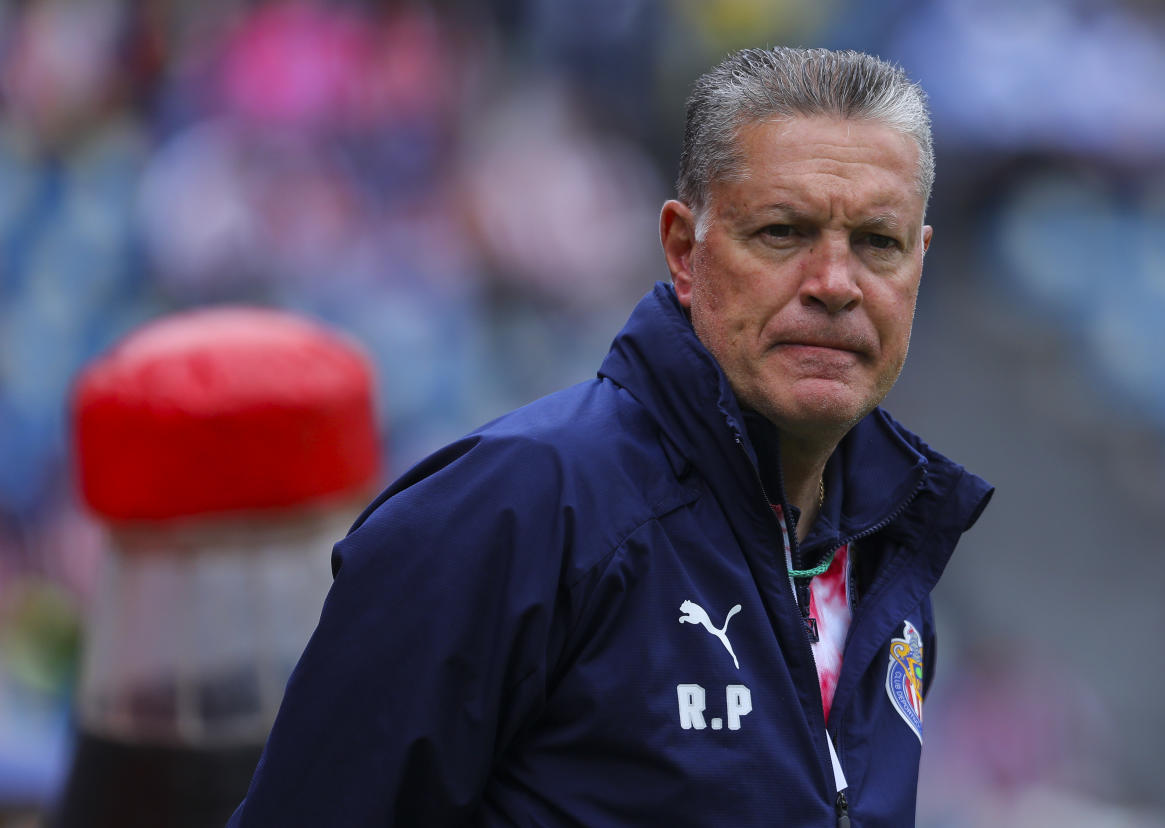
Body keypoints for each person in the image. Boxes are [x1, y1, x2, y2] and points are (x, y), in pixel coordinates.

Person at [230, 47, 992, 827]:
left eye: (877, 242)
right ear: (683, 252)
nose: (835, 282)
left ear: (919, 264)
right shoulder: (514, 511)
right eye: (783, 231)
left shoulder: (887, 563)